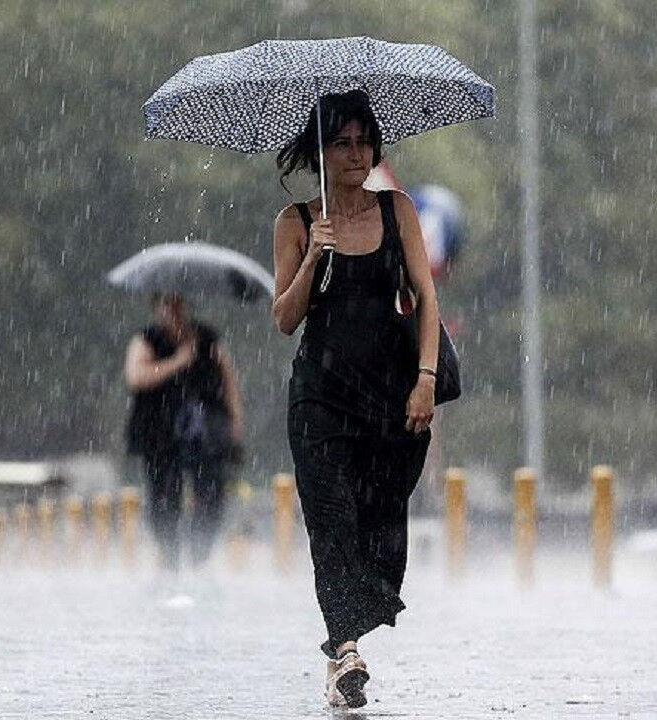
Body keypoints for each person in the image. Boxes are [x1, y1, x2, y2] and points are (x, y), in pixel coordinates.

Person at [270, 89, 438, 709]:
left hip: (388, 396)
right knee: (331, 519)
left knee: (380, 521)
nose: (356, 153)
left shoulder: (397, 210)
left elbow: (425, 295)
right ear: (320, 152)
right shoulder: (295, 223)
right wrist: (314, 255)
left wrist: (425, 378)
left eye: (365, 141)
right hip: (319, 399)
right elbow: (284, 318)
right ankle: (345, 652)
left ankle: (346, 632)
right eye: (342, 143)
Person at [124, 292, 244, 572]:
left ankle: (200, 556)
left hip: (205, 433)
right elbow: (136, 377)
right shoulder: (146, 340)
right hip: (160, 433)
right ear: (157, 307)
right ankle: (169, 558)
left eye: (178, 303)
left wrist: (235, 423)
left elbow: (229, 382)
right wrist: (177, 362)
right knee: (163, 495)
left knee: (211, 492)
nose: (174, 310)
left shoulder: (207, 338)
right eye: (167, 304)